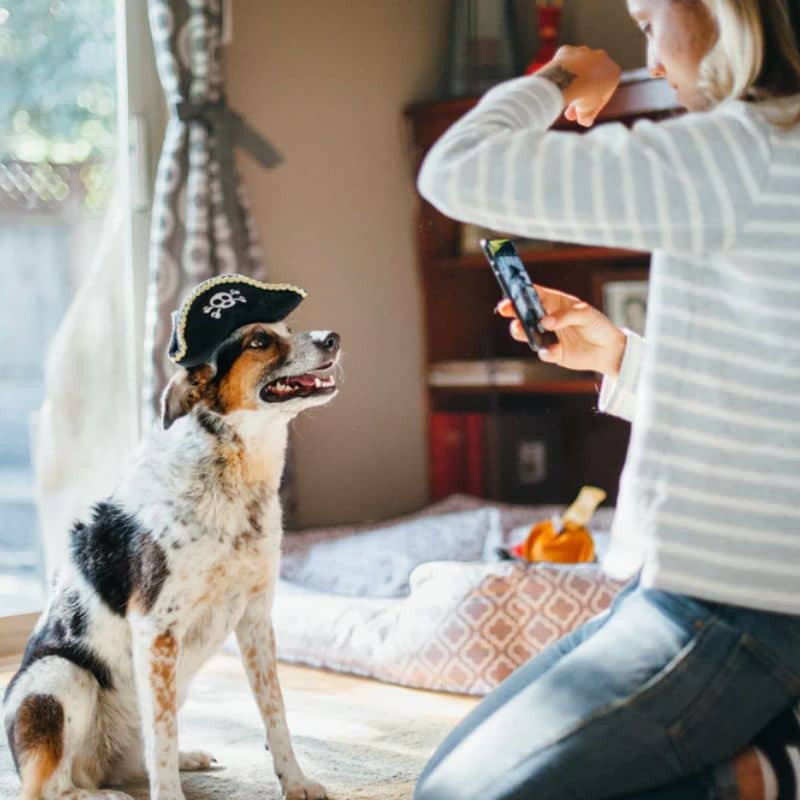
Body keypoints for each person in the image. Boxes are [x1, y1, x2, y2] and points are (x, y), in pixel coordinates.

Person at [414, 1, 800, 798]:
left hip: (734, 612)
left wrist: (561, 77)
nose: (649, 59)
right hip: (706, 598)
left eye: (649, 20)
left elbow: (456, 169)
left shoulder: (746, 151)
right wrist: (618, 356)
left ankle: (774, 773)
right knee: (442, 782)